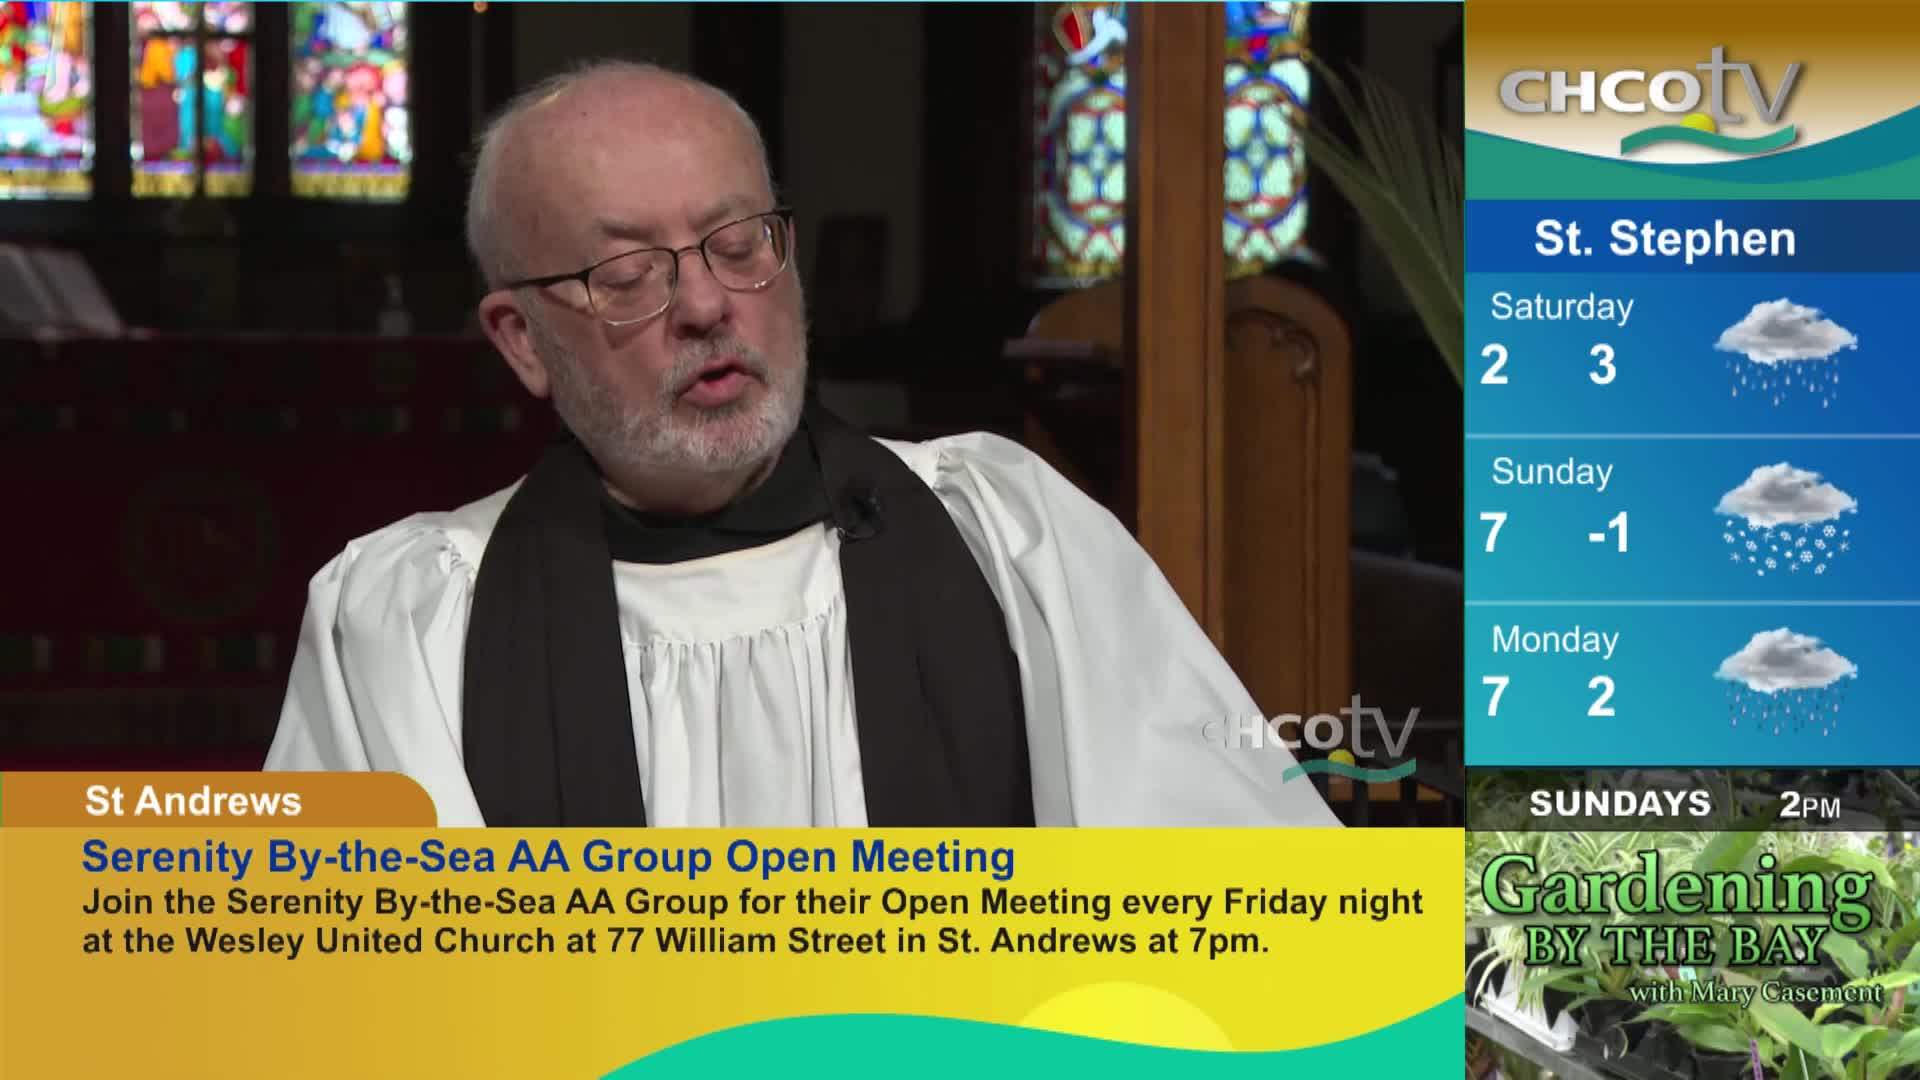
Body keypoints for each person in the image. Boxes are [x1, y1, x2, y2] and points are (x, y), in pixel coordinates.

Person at [264, 60, 1340, 830]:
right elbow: (355, 1002)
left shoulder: (1011, 537)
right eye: (630, 274)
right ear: (523, 341)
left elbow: (1231, 916)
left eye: (739, 246)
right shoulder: (406, 617)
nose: (706, 305)